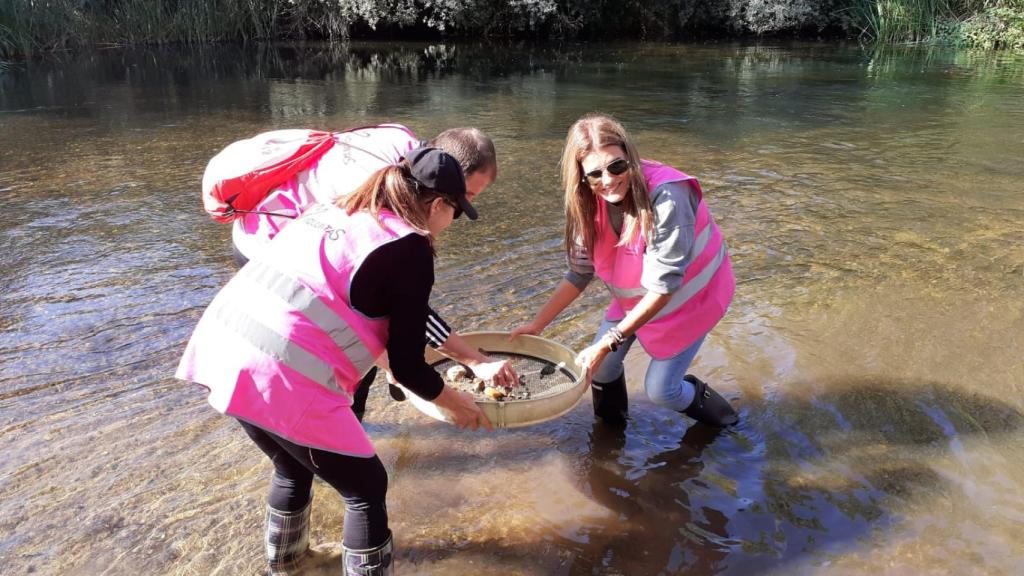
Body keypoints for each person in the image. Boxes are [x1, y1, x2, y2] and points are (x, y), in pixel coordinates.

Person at [177, 147, 489, 575]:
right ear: (438, 205)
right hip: (280, 372)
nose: (452, 223)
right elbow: (408, 364)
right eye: (456, 212)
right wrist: (457, 403)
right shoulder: (411, 248)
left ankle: (286, 564)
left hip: (223, 347)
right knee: (366, 488)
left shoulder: (339, 208)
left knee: (290, 465)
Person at [203, 124, 518, 412]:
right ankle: (335, 427)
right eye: (463, 198)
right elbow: (404, 300)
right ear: (442, 178)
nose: (461, 210)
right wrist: (472, 360)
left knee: (372, 346)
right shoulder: (376, 193)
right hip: (266, 243)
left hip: (291, 232)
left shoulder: (405, 159)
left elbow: (403, 301)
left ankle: (348, 423)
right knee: (349, 353)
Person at [511, 113, 738, 428]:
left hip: (691, 300)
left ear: (629, 156)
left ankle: (728, 424)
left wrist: (607, 342)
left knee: (662, 391)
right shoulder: (586, 201)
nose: (608, 181)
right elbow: (579, 274)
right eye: (594, 173)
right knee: (600, 369)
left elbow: (664, 287)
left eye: (616, 166)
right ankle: (610, 438)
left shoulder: (668, 195)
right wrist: (537, 324)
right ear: (581, 177)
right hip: (636, 299)